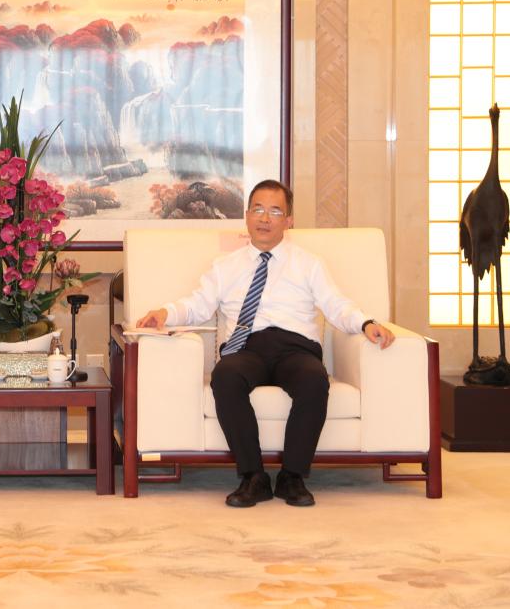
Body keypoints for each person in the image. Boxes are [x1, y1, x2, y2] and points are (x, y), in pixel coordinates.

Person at [137, 179, 395, 508]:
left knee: (314, 380)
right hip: (247, 348)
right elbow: (198, 305)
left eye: (274, 212)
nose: (264, 218)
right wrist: (165, 313)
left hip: (295, 349)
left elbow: (336, 305)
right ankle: (253, 477)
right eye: (258, 209)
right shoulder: (225, 266)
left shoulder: (309, 263)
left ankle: (292, 476)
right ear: (246, 216)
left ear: (288, 221)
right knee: (225, 376)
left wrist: (366, 323)